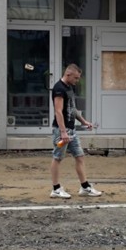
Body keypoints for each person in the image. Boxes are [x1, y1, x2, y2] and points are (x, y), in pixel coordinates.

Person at [50, 63, 102, 199]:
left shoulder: (69, 88)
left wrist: (84, 121)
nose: (77, 81)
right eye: (76, 78)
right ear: (68, 75)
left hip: (71, 130)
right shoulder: (59, 89)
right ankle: (56, 189)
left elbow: (72, 109)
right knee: (57, 157)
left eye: (78, 78)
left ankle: (85, 187)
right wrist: (63, 132)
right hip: (61, 130)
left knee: (80, 156)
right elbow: (58, 111)